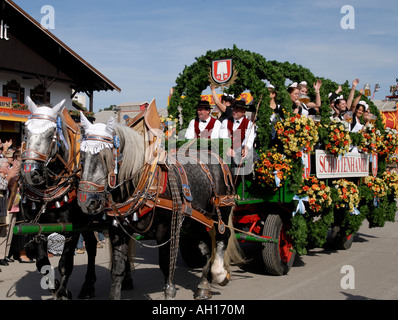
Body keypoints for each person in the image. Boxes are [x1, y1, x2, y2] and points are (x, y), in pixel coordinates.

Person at [219, 100, 256, 176]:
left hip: (240, 148)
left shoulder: (249, 124)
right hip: (228, 149)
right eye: (234, 109)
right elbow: (223, 136)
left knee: (248, 155)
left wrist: (245, 147)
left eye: (237, 110)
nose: (234, 111)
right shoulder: (225, 122)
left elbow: (249, 138)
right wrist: (227, 148)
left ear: (243, 112)